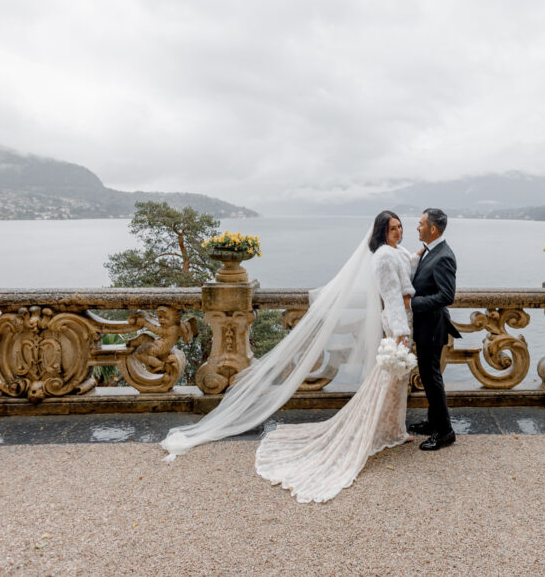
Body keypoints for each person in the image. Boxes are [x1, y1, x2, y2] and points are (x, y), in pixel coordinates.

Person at [159, 210, 427, 503]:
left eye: (400, 227)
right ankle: (380, 430)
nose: (398, 232)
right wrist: (400, 332)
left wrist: (422, 251)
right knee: (387, 381)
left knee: (394, 382)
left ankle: (392, 429)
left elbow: (406, 265)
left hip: (403, 320)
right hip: (398, 323)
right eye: (392, 229)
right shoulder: (384, 257)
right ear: (381, 233)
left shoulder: (395, 252)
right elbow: (391, 295)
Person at [407, 208, 461, 450]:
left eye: (420, 224)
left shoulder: (444, 256)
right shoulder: (432, 251)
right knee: (429, 376)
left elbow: (447, 295)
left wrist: (413, 303)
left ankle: (445, 431)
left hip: (432, 326)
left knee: (432, 378)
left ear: (433, 229)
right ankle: (432, 422)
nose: (417, 227)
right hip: (426, 325)